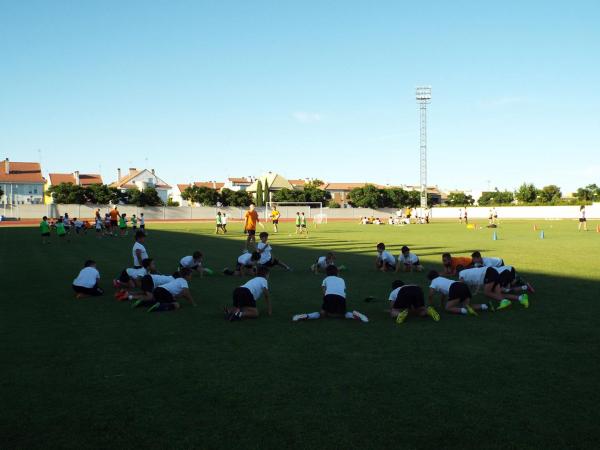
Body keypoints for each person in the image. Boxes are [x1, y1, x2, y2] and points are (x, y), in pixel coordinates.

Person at [292, 265, 368, 322]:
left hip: (329, 296)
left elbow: (324, 291)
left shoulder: (326, 279)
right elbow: (344, 291)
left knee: (322, 313)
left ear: (327, 273)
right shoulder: (342, 279)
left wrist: (326, 302)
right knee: (342, 314)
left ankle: (306, 316)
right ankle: (354, 315)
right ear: (337, 272)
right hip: (341, 298)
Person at [456, 265, 529, 310]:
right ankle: (521, 297)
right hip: (491, 271)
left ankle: (504, 301)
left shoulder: (461, 273)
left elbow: (461, 286)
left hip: (489, 273)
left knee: (487, 292)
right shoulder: (467, 272)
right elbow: (471, 285)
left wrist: (459, 299)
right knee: (497, 294)